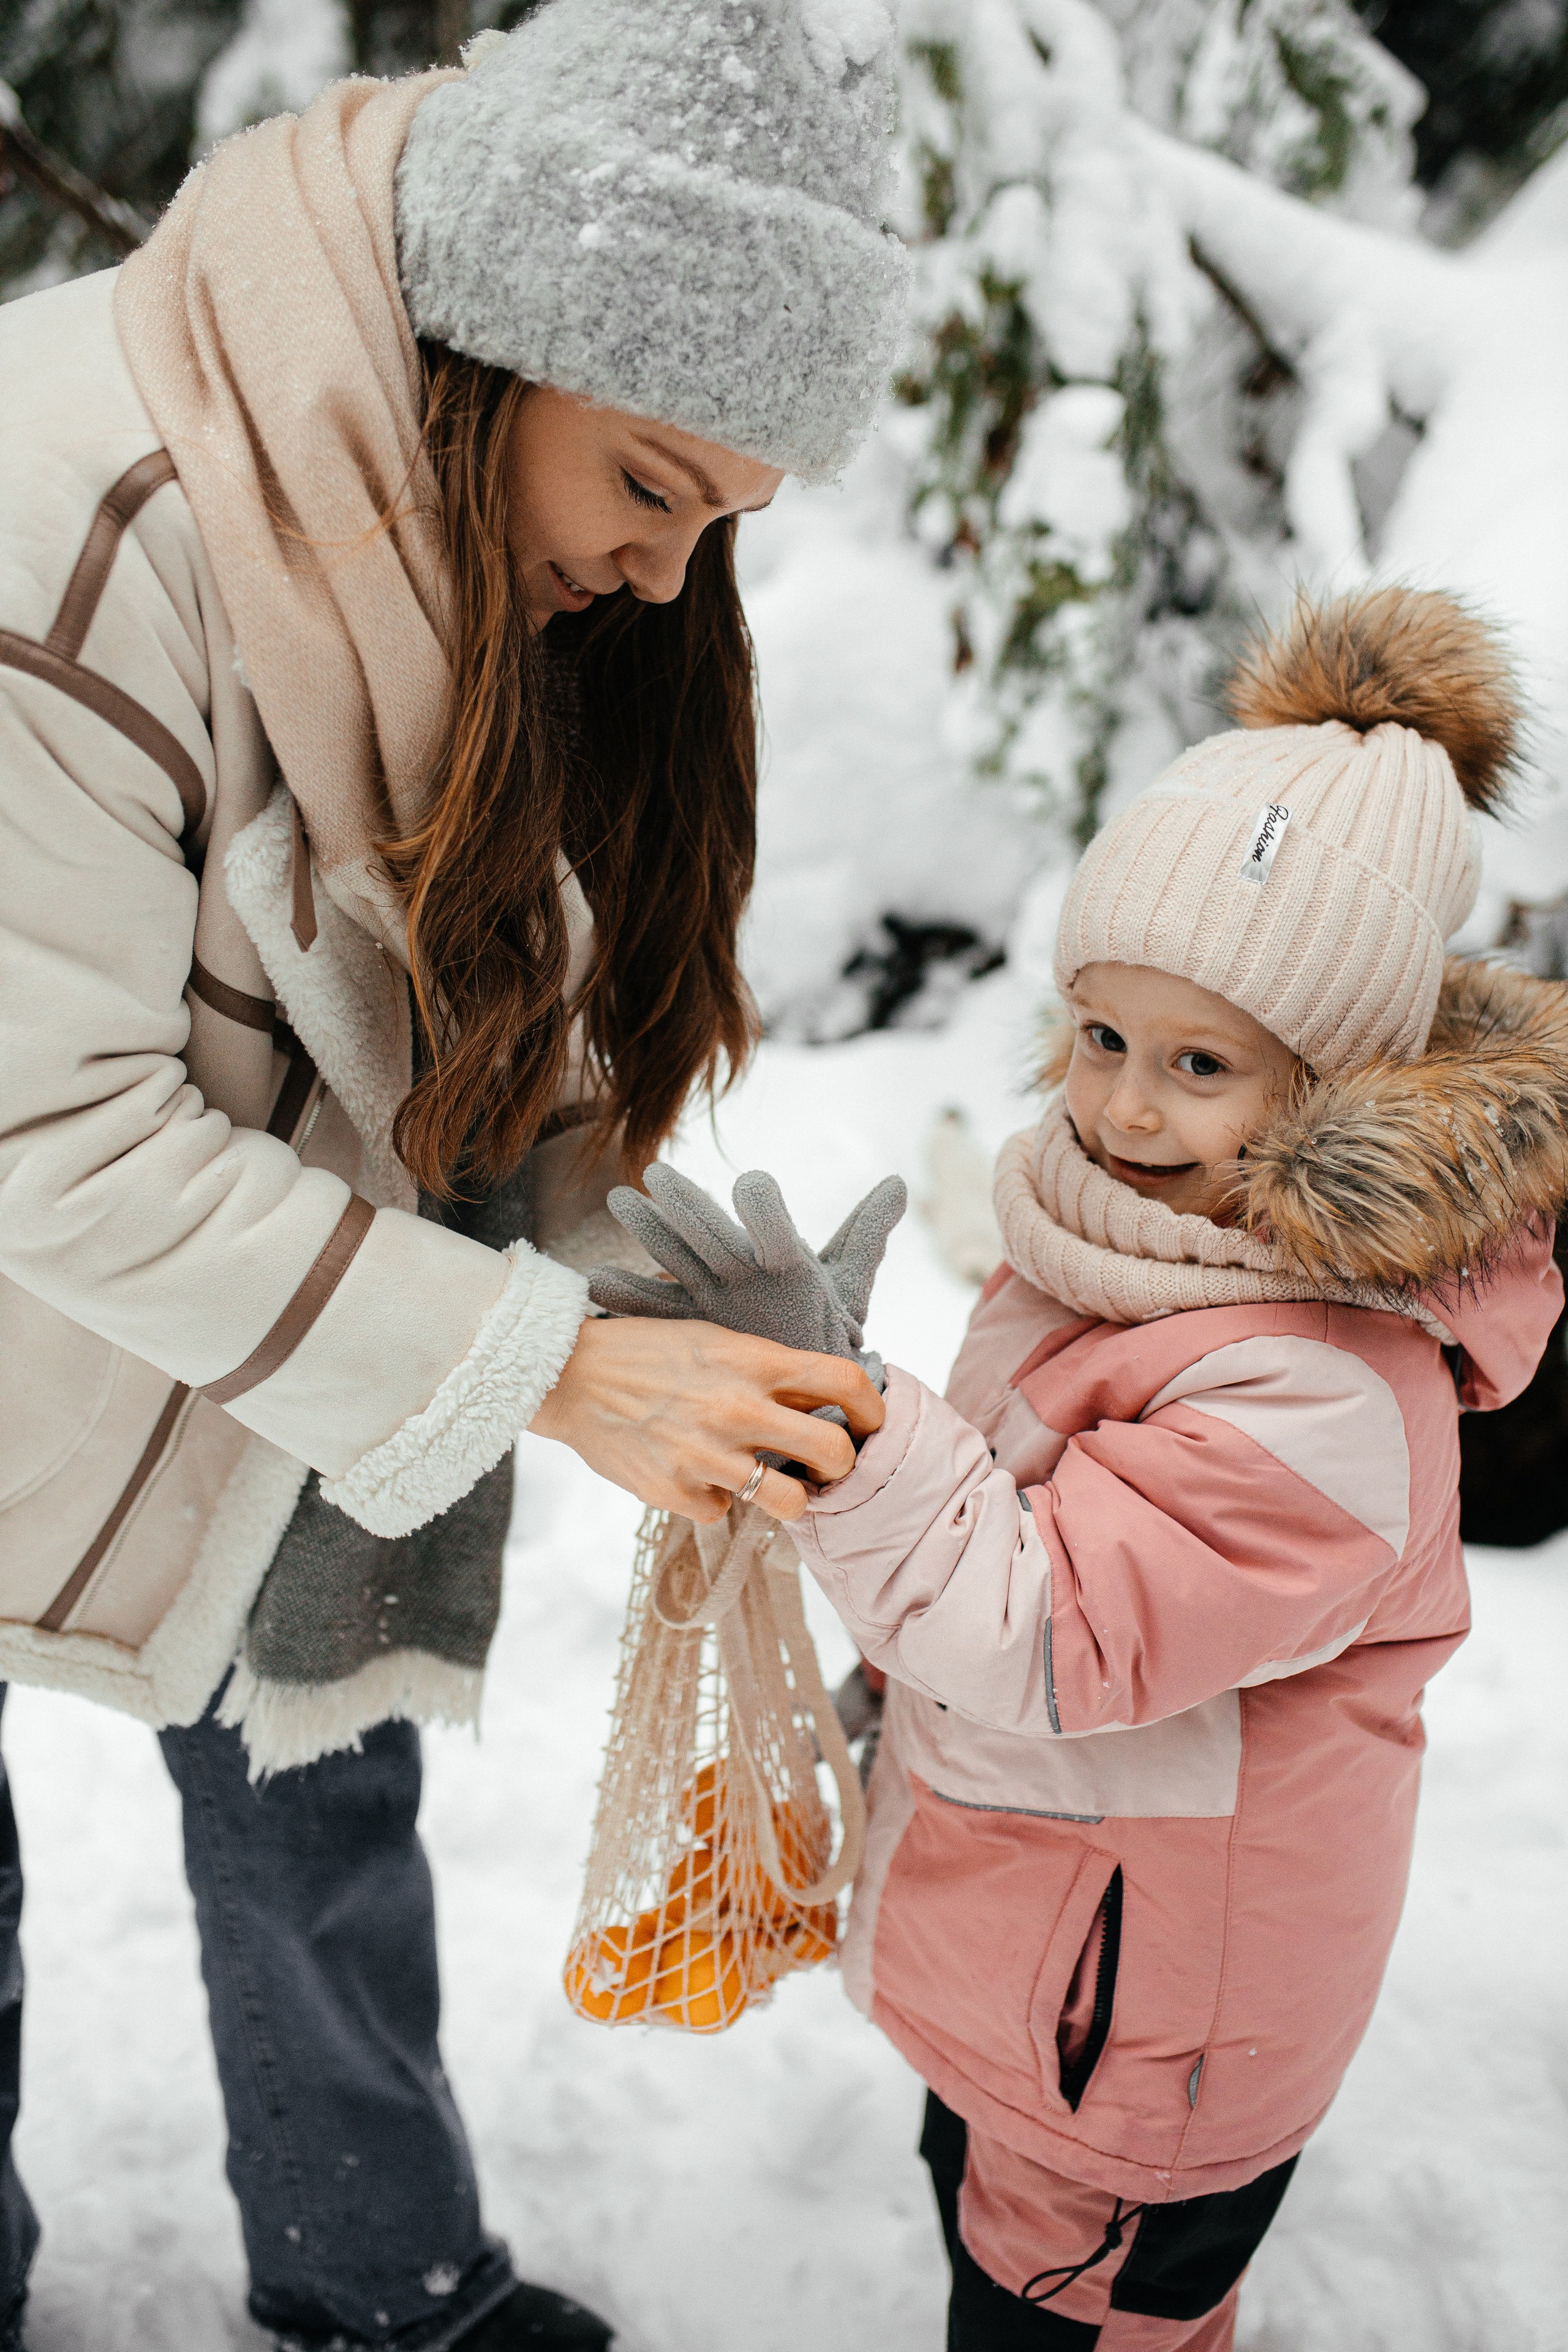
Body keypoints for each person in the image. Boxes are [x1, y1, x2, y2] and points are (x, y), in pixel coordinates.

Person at [0, 2, 906, 2344]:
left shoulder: (438, 543)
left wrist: (657, 1301)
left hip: (284, 1267)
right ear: (508, 340)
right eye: (656, 482)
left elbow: (455, 1023)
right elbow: (54, 1133)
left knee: (316, 1766)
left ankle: (371, 2279)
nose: (664, 569)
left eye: (723, 521)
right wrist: (544, 1375)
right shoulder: (84, 536)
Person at [782, 589, 1568, 2348]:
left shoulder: (1327, 1386)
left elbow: (1049, 1627)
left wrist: (852, 1431)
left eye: (1201, 1066)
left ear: (1340, 1088)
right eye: (1102, 1038)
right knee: (984, 2207)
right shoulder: (1138, 1236)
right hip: (1053, 1936)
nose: (1127, 1109)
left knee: (1073, 2316)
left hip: (1152, 2029)